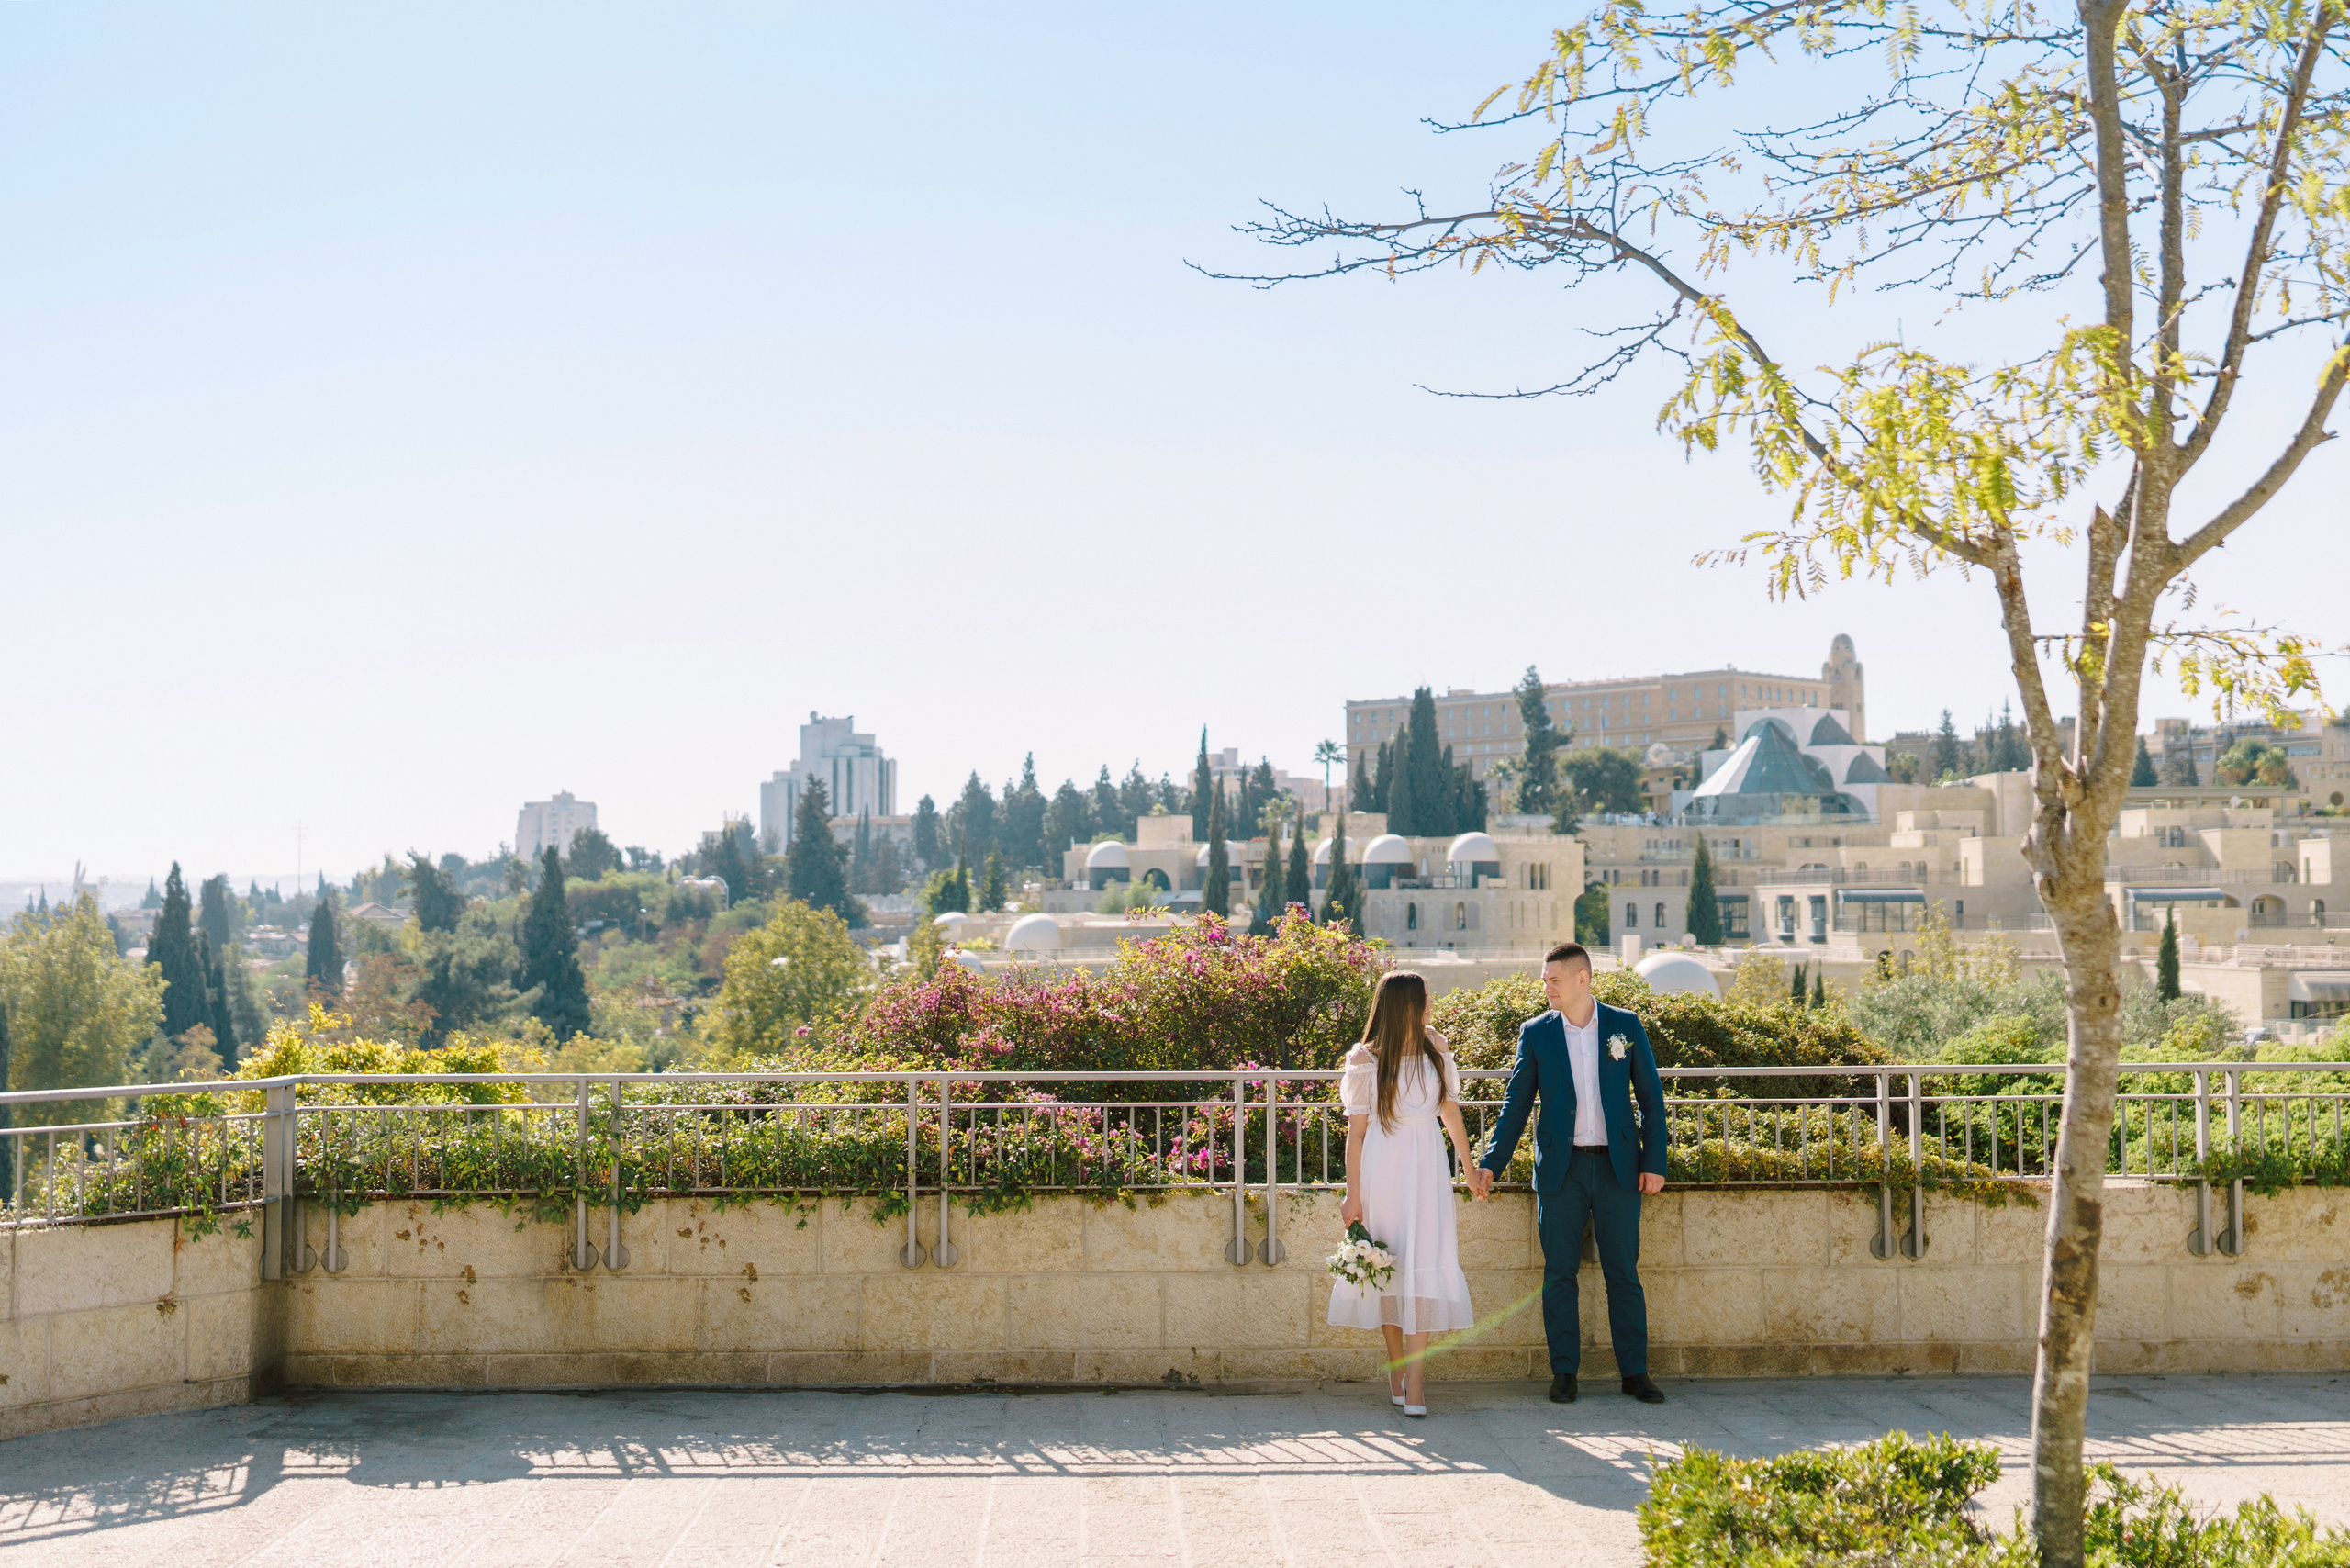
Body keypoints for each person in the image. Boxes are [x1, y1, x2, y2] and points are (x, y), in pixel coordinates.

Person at [1469, 940, 1668, 1406]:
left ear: (1583, 979)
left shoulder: (1624, 1026)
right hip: (1561, 1171)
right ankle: (1564, 1373)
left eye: (1553, 980)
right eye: (1544, 980)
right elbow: (1516, 1103)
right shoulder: (1536, 1032)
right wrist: (1492, 1163)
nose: (1546, 987)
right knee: (1559, 1273)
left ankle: (1634, 1373)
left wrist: (1654, 1163)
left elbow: (1651, 1099)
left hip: (1619, 1169)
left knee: (1623, 1272)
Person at [1332, 969, 1479, 1417]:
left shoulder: (1437, 1045)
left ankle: (1415, 1381)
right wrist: (1352, 1195)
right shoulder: (1365, 1058)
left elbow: (1450, 1112)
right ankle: (1398, 1368)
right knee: (1389, 1267)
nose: (1431, 1005)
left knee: (1424, 1264)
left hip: (1427, 1168)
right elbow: (1357, 1133)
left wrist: (1469, 1168)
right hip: (1384, 1169)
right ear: (1405, 1005)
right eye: (1425, 998)